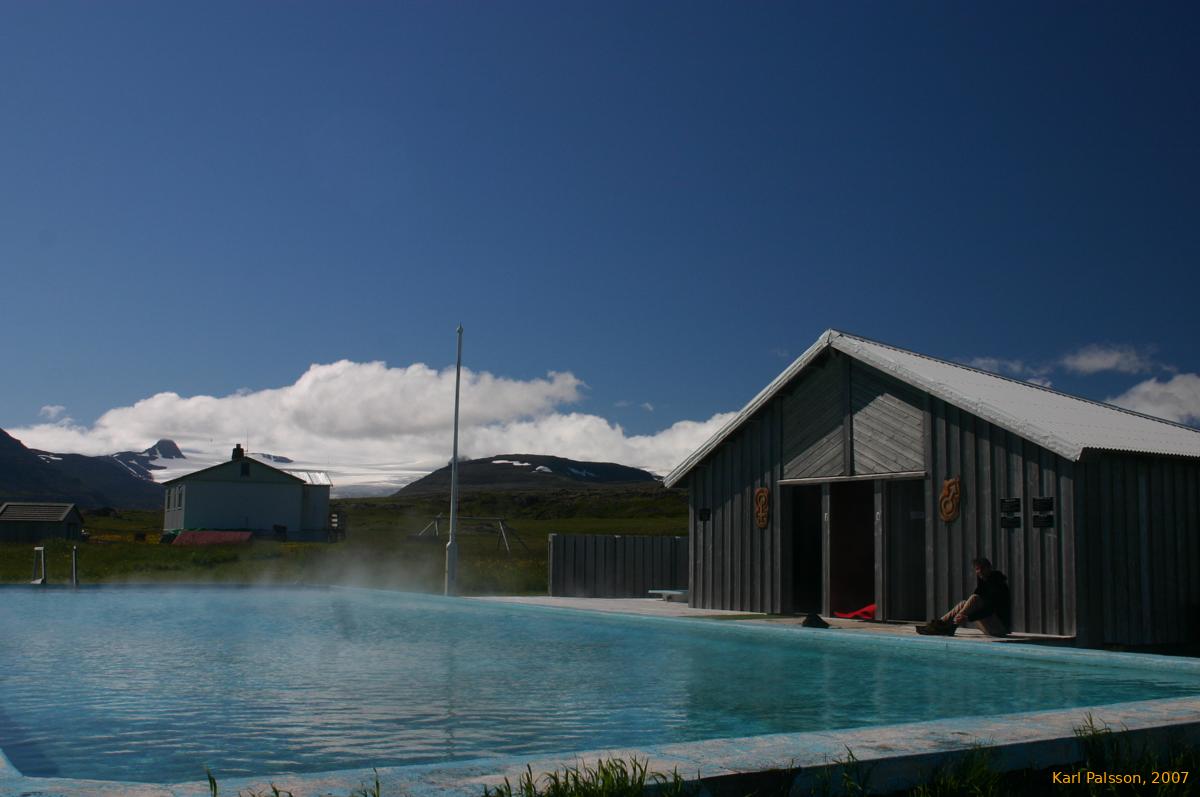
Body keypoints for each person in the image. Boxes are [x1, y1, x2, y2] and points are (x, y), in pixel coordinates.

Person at [917, 558, 1010, 637]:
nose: (980, 571)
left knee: (974, 598)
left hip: (998, 629)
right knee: (964, 603)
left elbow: (989, 609)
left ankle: (952, 626)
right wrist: (967, 616)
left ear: (989, 568)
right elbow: (973, 604)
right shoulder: (984, 581)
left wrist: (968, 618)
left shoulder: (998, 584)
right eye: (977, 569)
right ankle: (939, 624)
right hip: (990, 627)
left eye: (982, 568)